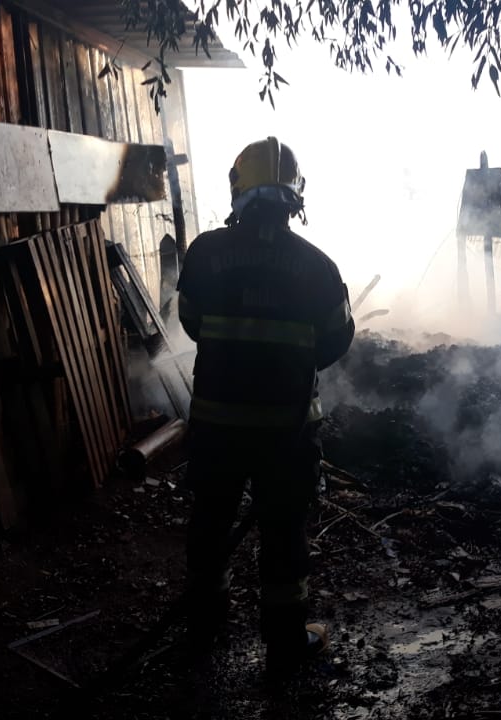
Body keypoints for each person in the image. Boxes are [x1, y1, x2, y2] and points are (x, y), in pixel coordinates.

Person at [176, 137, 355, 678]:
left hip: (215, 428)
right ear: (294, 197)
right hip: (287, 432)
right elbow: (336, 340)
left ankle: (204, 625)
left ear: (239, 189)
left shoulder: (205, 253)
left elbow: (189, 321)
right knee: (283, 533)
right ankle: (283, 643)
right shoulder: (319, 267)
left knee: (209, 522)